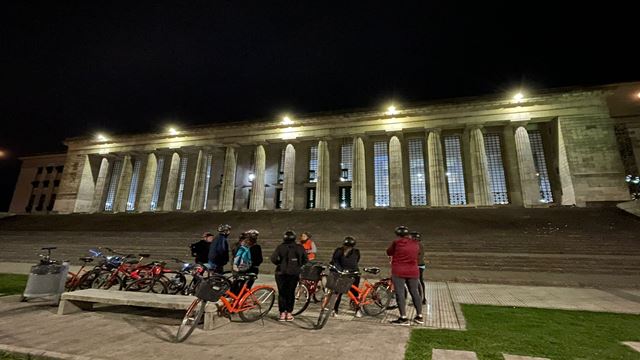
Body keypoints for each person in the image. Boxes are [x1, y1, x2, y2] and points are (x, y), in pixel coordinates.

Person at [386, 226, 424, 325]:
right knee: (415, 292)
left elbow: (389, 252)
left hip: (399, 270)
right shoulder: (416, 243)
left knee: (400, 293)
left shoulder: (396, 242)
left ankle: (403, 317)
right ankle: (419, 316)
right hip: (413, 270)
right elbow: (418, 253)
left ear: (397, 234)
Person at [270, 230, 307, 322]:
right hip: (293, 273)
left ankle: (282, 313)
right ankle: (289, 313)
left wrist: (280, 263)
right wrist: (298, 265)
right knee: (290, 293)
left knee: (282, 293)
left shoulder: (280, 247)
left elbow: (273, 258)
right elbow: (305, 259)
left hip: (280, 273)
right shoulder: (299, 247)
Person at [330, 236, 361, 317]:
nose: (347, 248)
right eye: (346, 246)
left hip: (354, 273)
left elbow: (356, 261)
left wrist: (352, 270)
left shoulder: (356, 252)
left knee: (355, 293)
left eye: (349, 247)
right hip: (343, 273)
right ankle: (335, 310)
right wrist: (340, 270)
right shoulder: (339, 251)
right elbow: (335, 261)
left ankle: (357, 309)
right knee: (339, 292)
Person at [410, 231, 427, 305]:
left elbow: (419, 256)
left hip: (419, 265)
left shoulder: (419, 245)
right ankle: (420, 298)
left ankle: (422, 298)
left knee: (419, 281)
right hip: (416, 265)